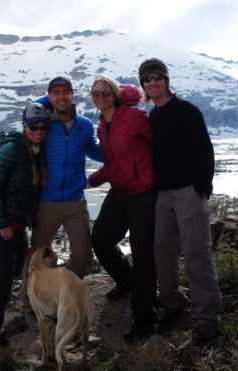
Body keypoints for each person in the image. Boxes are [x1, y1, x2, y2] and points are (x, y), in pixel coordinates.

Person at [138, 58, 221, 340]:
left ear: (166, 80)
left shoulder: (185, 110)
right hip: (163, 195)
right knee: (163, 253)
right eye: (147, 79)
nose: (153, 81)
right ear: (143, 85)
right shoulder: (154, 116)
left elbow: (204, 150)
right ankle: (173, 305)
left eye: (157, 76)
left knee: (197, 254)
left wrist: (201, 189)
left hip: (188, 192)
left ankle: (207, 320)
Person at [87, 76, 157, 343]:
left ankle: (144, 318)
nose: (101, 96)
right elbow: (113, 162)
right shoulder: (102, 125)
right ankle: (125, 282)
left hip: (143, 194)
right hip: (120, 191)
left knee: (143, 256)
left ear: (115, 95)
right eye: (96, 93)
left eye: (106, 93)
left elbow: (158, 148)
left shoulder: (135, 117)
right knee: (101, 240)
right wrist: (92, 180)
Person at [0, 102, 48, 351]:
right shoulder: (12, 149)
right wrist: (2, 224)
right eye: (33, 126)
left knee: (9, 273)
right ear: (24, 126)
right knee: (1, 280)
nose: (39, 130)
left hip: (17, 222)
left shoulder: (32, 151)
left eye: (42, 126)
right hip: (2, 223)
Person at [31, 76, 102, 279]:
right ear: (49, 97)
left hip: (75, 201)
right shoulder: (42, 124)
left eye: (65, 92)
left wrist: (119, 148)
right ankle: (28, 304)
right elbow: (27, 113)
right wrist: (46, 101)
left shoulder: (85, 125)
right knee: (36, 256)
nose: (61, 97)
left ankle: (63, 291)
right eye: (56, 93)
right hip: (46, 201)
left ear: (73, 95)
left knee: (82, 253)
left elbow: (95, 152)